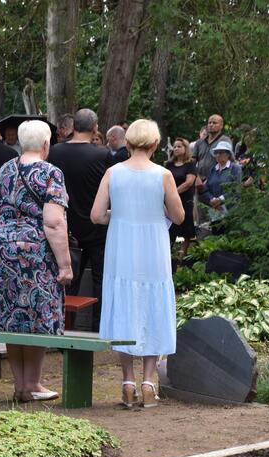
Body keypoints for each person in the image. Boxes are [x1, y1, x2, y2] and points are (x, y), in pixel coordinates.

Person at [91, 119, 185, 409]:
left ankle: (127, 382)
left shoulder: (112, 173)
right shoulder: (164, 175)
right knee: (151, 305)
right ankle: (148, 382)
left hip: (121, 247)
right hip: (153, 247)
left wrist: (117, 216)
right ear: (155, 145)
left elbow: (96, 215)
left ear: (128, 143)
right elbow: (179, 216)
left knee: (126, 306)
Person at [0, 119, 71, 402]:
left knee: (14, 313)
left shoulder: (5, 170)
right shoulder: (51, 173)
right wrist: (65, 264)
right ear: (47, 145)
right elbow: (53, 222)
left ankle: (20, 385)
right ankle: (33, 384)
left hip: (4, 247)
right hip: (36, 251)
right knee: (36, 313)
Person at [48, 108, 112, 331]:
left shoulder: (54, 152)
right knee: (100, 280)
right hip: (96, 227)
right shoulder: (103, 155)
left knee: (66, 279)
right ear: (95, 128)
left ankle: (63, 325)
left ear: (73, 127)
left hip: (64, 225)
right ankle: (98, 328)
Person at [165, 138, 197, 257]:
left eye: (179, 146)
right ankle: (168, 253)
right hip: (169, 201)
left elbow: (189, 182)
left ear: (185, 148)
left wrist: (173, 192)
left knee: (186, 228)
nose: (176, 149)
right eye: (175, 146)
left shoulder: (190, 164)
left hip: (185, 200)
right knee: (170, 227)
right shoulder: (169, 165)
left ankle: (182, 256)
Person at [201, 141, 242, 230]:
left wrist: (221, 199)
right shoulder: (213, 170)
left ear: (228, 154)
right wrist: (212, 200)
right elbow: (206, 189)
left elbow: (237, 189)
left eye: (221, 152)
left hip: (231, 209)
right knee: (217, 234)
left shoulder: (235, 168)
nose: (218, 155)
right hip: (215, 211)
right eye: (216, 153)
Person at [194, 114, 232, 180]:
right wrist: (196, 177)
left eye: (214, 123)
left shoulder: (225, 141)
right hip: (199, 180)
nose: (211, 125)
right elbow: (192, 162)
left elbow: (230, 161)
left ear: (221, 126)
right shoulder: (199, 142)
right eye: (209, 123)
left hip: (218, 179)